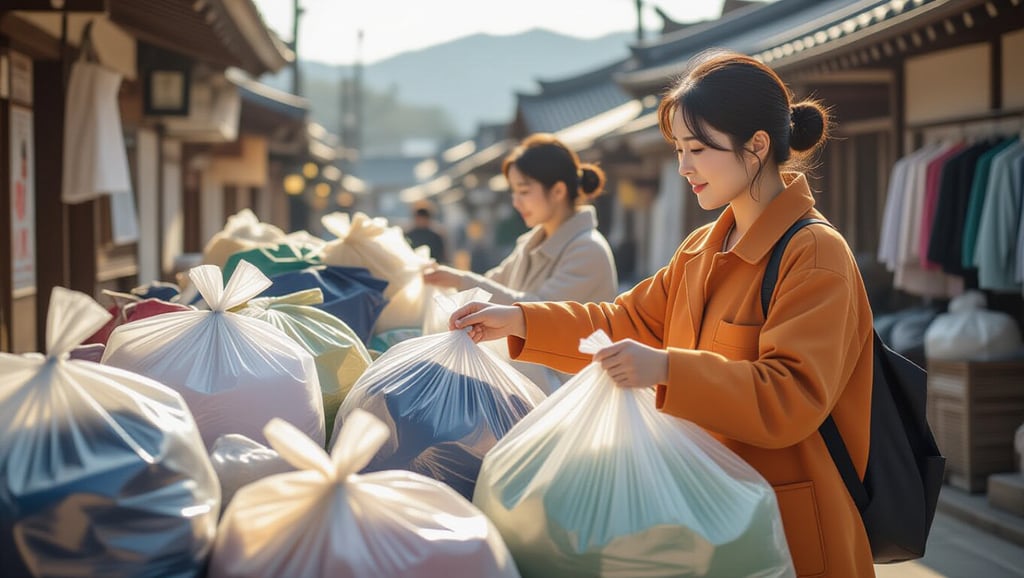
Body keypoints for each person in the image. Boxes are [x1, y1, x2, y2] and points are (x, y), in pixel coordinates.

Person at [449, 49, 875, 577]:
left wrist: (668, 369)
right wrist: (519, 320)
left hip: (788, 533)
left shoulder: (814, 253)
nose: (683, 166)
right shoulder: (700, 248)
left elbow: (791, 395)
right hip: (703, 522)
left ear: (757, 146)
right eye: (679, 148)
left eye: (697, 148)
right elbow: (622, 321)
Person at [423, 133, 618, 393]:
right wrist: (454, 283)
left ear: (558, 191)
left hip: (567, 395)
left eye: (524, 191)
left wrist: (460, 280)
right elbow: (492, 285)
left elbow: (537, 312)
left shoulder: (589, 250)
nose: (516, 202)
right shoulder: (529, 243)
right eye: (514, 192)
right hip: (528, 387)